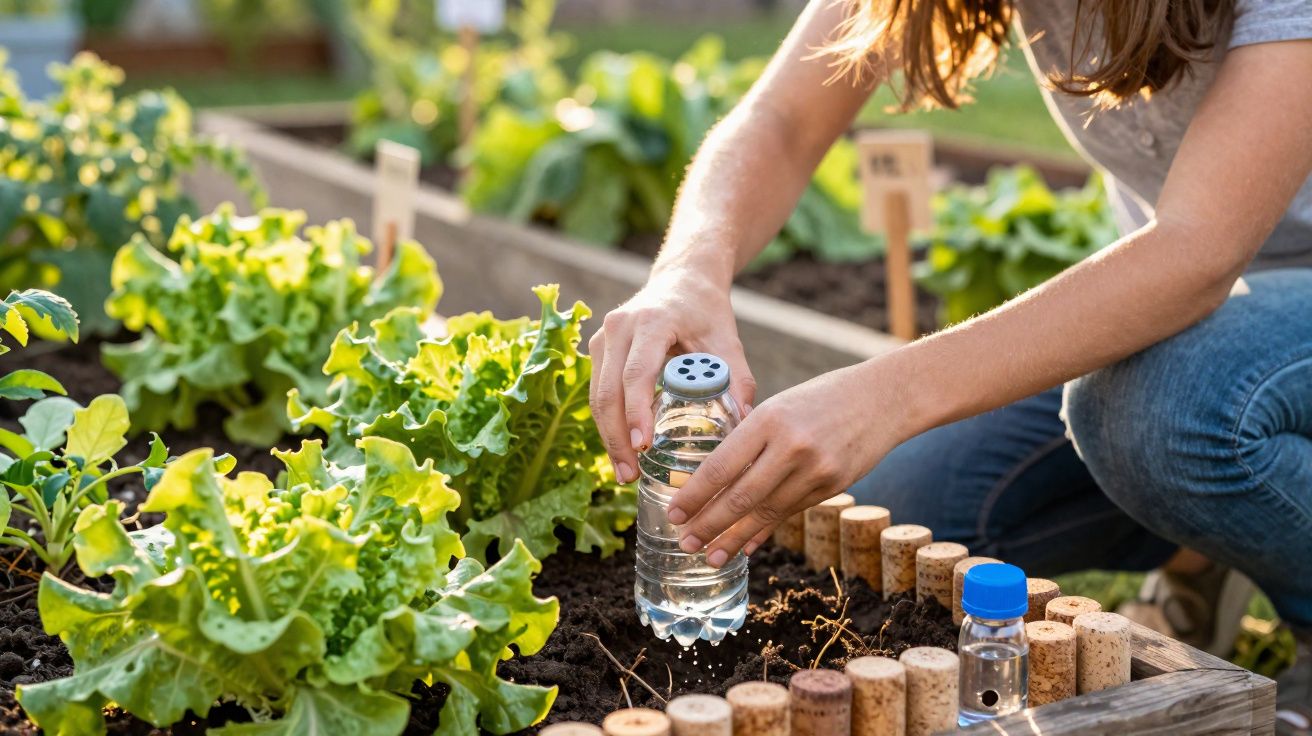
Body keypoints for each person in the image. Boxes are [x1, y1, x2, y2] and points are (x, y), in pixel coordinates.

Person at [588, 0, 1312, 729]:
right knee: (903, 502)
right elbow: (782, 119)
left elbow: (1197, 250)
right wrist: (688, 270)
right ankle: (1208, 547)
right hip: (1200, 326)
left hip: (1232, 325)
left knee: (1166, 406)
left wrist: (885, 397)